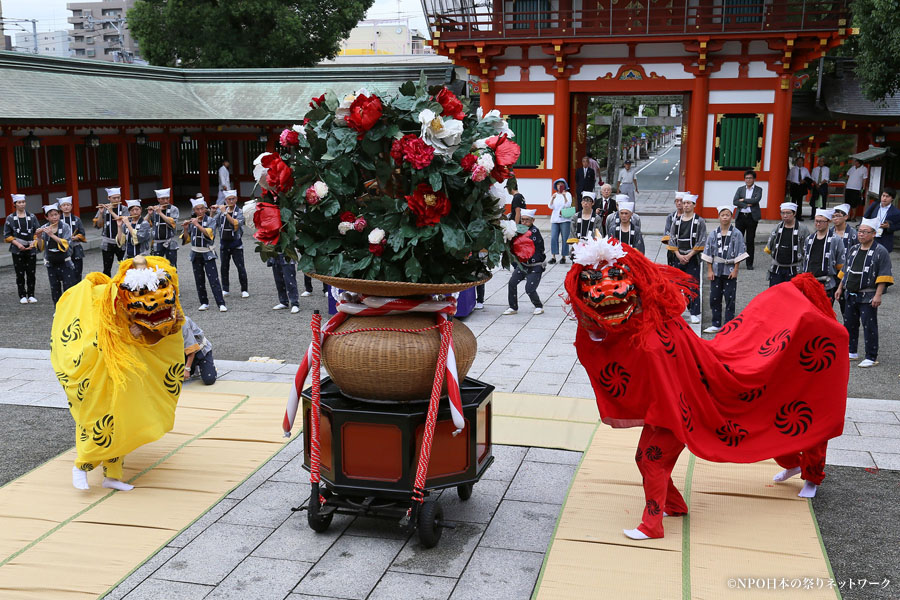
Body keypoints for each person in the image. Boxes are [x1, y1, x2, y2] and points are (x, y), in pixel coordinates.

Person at [53, 255, 186, 491]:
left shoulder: (157, 296)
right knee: (99, 417)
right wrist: (126, 332)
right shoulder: (109, 297)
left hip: (127, 367)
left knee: (124, 419)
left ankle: (112, 476)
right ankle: (82, 464)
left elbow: (167, 326)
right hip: (101, 365)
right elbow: (100, 324)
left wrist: (139, 333)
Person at [835, 218, 893, 368]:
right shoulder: (854, 249)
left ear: (873, 234)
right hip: (850, 292)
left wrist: (878, 294)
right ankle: (851, 351)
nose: (861, 234)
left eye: (865, 232)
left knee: (869, 326)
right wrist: (840, 288)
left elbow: (884, 275)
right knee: (849, 324)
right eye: (859, 231)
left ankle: (871, 356)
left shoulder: (881, 251)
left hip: (868, 294)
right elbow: (845, 271)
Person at [701, 206, 748, 333]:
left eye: (727, 215)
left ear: (731, 217)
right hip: (716, 269)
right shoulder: (713, 234)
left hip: (730, 269)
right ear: (719, 217)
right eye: (723, 215)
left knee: (729, 297)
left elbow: (739, 252)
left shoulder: (737, 233)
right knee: (714, 297)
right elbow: (708, 253)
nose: (725, 217)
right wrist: (709, 270)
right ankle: (716, 323)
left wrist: (736, 270)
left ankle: (729, 324)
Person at [665, 194, 705, 323]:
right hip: (678, 256)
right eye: (685, 203)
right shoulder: (676, 221)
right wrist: (678, 255)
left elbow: (701, 239)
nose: (686, 205)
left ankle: (694, 312)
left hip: (692, 257)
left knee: (693, 284)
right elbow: (672, 238)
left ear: (694, 205)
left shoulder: (699, 221)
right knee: (676, 284)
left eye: (689, 203)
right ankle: (676, 310)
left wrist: (689, 255)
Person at [182, 196, 227, 312]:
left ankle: (221, 303)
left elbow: (209, 235)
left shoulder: (211, 220)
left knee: (214, 279)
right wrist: (186, 229)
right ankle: (204, 302)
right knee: (199, 279)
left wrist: (197, 225)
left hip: (207, 253)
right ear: (194, 210)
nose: (200, 211)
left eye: (202, 208)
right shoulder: (192, 221)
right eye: (197, 209)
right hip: (195, 253)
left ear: (206, 209)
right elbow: (186, 240)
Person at [504, 209, 545, 315]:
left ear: (533, 220)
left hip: (535, 265)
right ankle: (513, 307)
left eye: (527, 220)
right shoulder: (519, 230)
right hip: (523, 265)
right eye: (522, 220)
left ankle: (538, 305)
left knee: (529, 288)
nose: (524, 222)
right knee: (512, 282)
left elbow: (528, 246)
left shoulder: (534, 232)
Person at [35, 203, 77, 305]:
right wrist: (39, 237)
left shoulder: (65, 226)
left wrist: (51, 235)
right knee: (55, 287)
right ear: (47, 217)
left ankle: (69, 308)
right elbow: (40, 248)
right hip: (51, 262)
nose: (55, 217)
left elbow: (66, 244)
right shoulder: (44, 227)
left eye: (56, 214)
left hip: (65, 262)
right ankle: (57, 308)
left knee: (68, 287)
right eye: (52, 215)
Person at [801, 209, 845, 302]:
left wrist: (840, 286)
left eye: (821, 221)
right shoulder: (809, 239)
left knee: (824, 314)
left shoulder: (836, 240)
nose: (818, 224)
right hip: (809, 282)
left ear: (828, 221)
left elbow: (841, 265)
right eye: (816, 221)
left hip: (827, 284)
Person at [213, 189, 250, 298]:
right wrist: (212, 211)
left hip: (236, 243)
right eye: (229, 199)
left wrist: (225, 213)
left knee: (240, 266)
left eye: (233, 199)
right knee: (224, 266)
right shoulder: (221, 212)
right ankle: (225, 288)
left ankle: (244, 289)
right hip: (224, 243)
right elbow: (213, 222)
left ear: (236, 199)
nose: (231, 201)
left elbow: (236, 223)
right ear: (225, 200)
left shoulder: (240, 212)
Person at [4, 194, 40, 303]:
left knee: (31, 272)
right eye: (19, 202)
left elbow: (37, 231)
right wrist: (17, 244)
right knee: (19, 273)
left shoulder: (32, 217)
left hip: (31, 247)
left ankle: (31, 294)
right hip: (17, 249)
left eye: (23, 202)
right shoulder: (10, 218)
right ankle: (22, 295)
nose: (21, 204)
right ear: (14, 204)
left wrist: (34, 241)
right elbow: (7, 235)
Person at [764, 202, 810, 287]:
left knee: (792, 296)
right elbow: (770, 246)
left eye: (788, 213)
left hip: (795, 269)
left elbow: (807, 250)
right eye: (783, 213)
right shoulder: (777, 228)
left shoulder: (803, 229)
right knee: (775, 295)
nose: (785, 216)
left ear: (794, 213)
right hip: (777, 268)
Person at [732, 170, 763, 270]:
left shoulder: (758, 189)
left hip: (751, 217)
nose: (748, 180)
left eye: (750, 178)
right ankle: (736, 261)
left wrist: (743, 200)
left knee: (750, 240)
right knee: (737, 240)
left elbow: (756, 200)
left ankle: (749, 263)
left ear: (754, 179)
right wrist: (746, 204)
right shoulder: (740, 189)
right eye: (746, 178)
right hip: (740, 216)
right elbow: (735, 201)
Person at [93, 187, 127, 277]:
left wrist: (111, 211)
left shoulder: (124, 209)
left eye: (118, 198)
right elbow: (98, 225)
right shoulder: (104, 209)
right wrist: (100, 213)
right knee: (107, 268)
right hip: (107, 241)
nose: (116, 200)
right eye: (114, 198)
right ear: (109, 198)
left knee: (124, 266)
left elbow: (123, 222)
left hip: (121, 241)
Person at [147, 188, 180, 269]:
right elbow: (144, 224)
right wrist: (149, 214)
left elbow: (173, 223)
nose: (165, 201)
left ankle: (173, 281)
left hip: (170, 241)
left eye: (167, 198)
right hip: (157, 241)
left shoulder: (174, 209)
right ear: (158, 199)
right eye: (163, 199)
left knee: (172, 265)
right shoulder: (154, 209)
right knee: (156, 266)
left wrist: (160, 213)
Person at [862, 186, 900, 252]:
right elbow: (865, 217)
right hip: (871, 236)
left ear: (892, 199)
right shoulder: (875, 205)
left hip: (884, 239)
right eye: (883, 195)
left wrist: (889, 226)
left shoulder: (895, 212)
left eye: (887, 196)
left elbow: (898, 225)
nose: (884, 198)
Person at [183, 315, 217, 385]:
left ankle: (204, 365)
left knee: (209, 379)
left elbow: (192, 349)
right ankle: (193, 368)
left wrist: (187, 369)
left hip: (200, 350)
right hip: (183, 352)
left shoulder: (183, 323)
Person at [58, 197, 86, 281]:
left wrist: (77, 237)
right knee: (64, 271)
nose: (66, 207)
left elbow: (82, 233)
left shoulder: (77, 219)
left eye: (68, 205)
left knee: (77, 271)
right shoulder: (58, 220)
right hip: (62, 249)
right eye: (64, 205)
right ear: (60, 207)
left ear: (71, 206)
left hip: (75, 248)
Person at [548, 178, 573, 265]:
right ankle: (553, 256)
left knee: (565, 238)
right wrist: (552, 198)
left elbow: (568, 204)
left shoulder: (568, 194)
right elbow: (550, 206)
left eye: (561, 184)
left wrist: (564, 196)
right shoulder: (554, 195)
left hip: (565, 219)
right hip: (555, 219)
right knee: (554, 237)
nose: (560, 186)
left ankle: (564, 256)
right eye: (558, 184)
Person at [662, 191, 686, 266]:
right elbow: (667, 234)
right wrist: (676, 251)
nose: (679, 203)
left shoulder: (693, 218)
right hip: (672, 250)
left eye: (681, 201)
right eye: (677, 201)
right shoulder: (670, 217)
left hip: (686, 251)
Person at [787, 157, 811, 221]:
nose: (800, 162)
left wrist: (804, 181)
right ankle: (791, 216)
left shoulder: (805, 169)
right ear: (796, 162)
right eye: (798, 161)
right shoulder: (793, 169)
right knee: (793, 202)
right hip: (794, 185)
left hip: (801, 186)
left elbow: (809, 178)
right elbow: (789, 178)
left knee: (800, 203)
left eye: (801, 161)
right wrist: (789, 187)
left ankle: (799, 216)